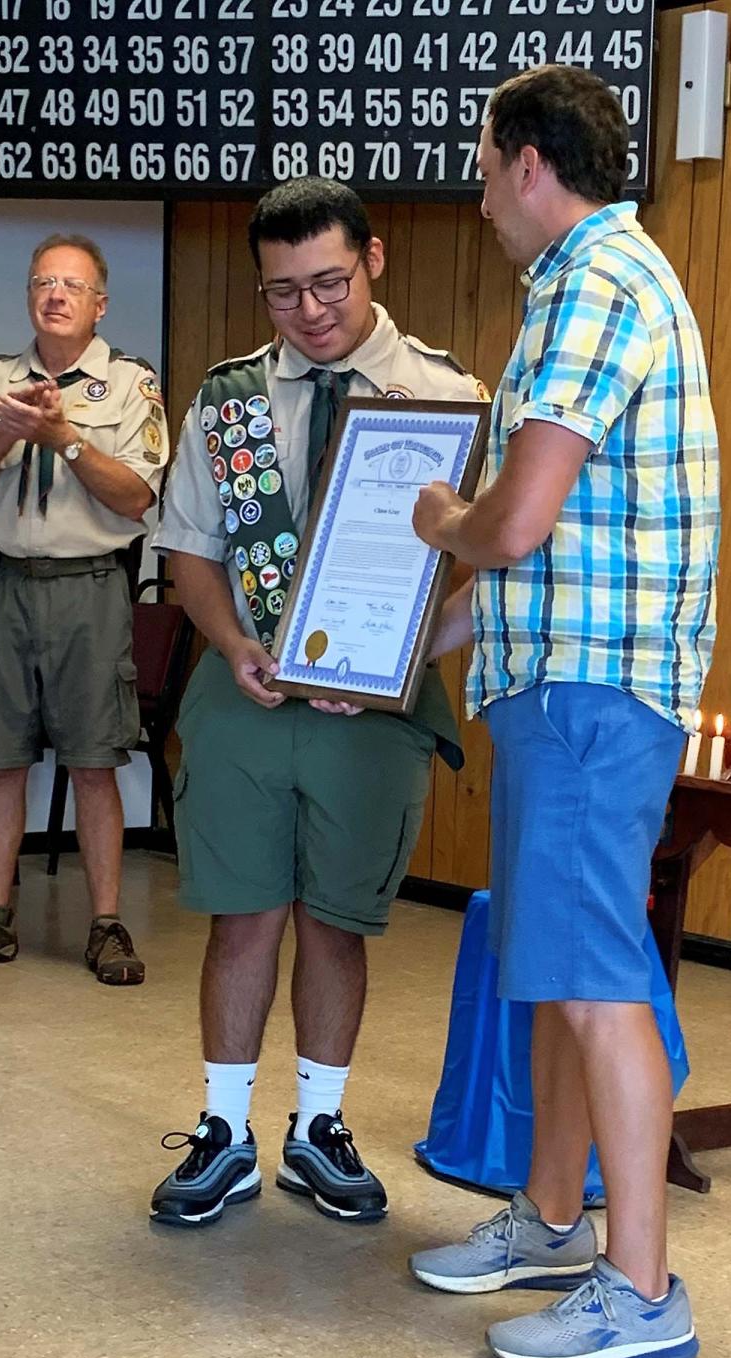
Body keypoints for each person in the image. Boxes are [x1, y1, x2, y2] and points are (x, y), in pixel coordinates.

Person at [408, 67, 720, 1358]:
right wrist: (420, 642)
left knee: (597, 986)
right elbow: (562, 547)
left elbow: (515, 520)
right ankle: (548, 1220)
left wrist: (439, 525)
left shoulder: (597, 280)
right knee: (555, 973)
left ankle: (642, 1294)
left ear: (534, 163)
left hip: (592, 699)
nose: (480, 199)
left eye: (484, 170)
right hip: (559, 682)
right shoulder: (584, 283)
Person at [150, 177, 485, 1226]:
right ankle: (222, 1129)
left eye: (329, 282)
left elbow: (493, 563)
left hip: (375, 714)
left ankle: (320, 1128)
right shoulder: (231, 399)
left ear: (374, 260)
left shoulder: (449, 396)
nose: (310, 310)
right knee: (243, 913)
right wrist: (234, 641)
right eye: (282, 293)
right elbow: (189, 552)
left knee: (339, 921)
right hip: (246, 693)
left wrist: (398, 658)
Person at [0, 234, 168, 985]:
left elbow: (137, 497)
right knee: (0, 757)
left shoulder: (131, 385)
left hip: (91, 587)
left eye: (71, 285)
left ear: (99, 304)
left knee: (95, 760)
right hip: (4, 584)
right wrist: (5, 430)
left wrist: (64, 439)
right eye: (41, 283)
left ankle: (105, 925)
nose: (54, 295)